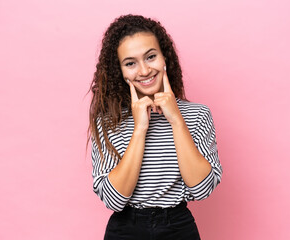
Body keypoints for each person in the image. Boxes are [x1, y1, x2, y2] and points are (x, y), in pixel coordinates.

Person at [88, 14, 222, 240]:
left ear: (164, 58)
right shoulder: (108, 121)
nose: (144, 71)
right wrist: (140, 129)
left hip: (178, 227)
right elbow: (114, 199)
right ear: (119, 71)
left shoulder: (197, 115)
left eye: (150, 57)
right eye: (130, 63)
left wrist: (177, 120)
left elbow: (201, 189)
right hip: (125, 229)